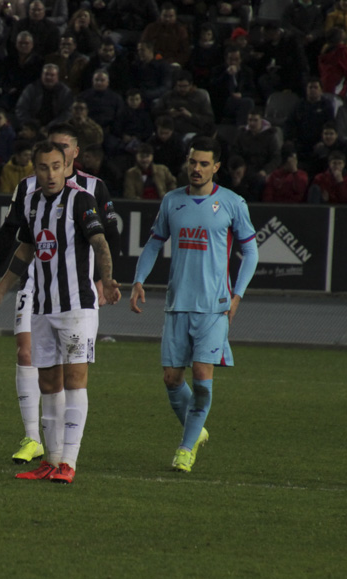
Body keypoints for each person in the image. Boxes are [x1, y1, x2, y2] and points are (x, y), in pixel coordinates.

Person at [0, 140, 121, 484]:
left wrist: (108, 279)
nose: (51, 173)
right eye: (44, 167)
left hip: (75, 308)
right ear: (35, 169)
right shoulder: (31, 203)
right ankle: (51, 461)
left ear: (66, 166)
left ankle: (68, 462)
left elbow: (100, 241)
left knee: (75, 380)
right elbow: (25, 250)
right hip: (42, 308)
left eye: (57, 166)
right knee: (48, 383)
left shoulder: (81, 200)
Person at [129, 136, 258, 473]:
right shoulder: (172, 201)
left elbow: (251, 252)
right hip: (177, 305)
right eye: (192, 162)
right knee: (172, 379)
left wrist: (237, 295)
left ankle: (185, 449)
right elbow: (155, 243)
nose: (196, 169)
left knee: (202, 376)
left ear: (216, 167)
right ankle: (196, 429)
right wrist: (139, 279)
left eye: (204, 163)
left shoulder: (232, 203)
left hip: (215, 306)